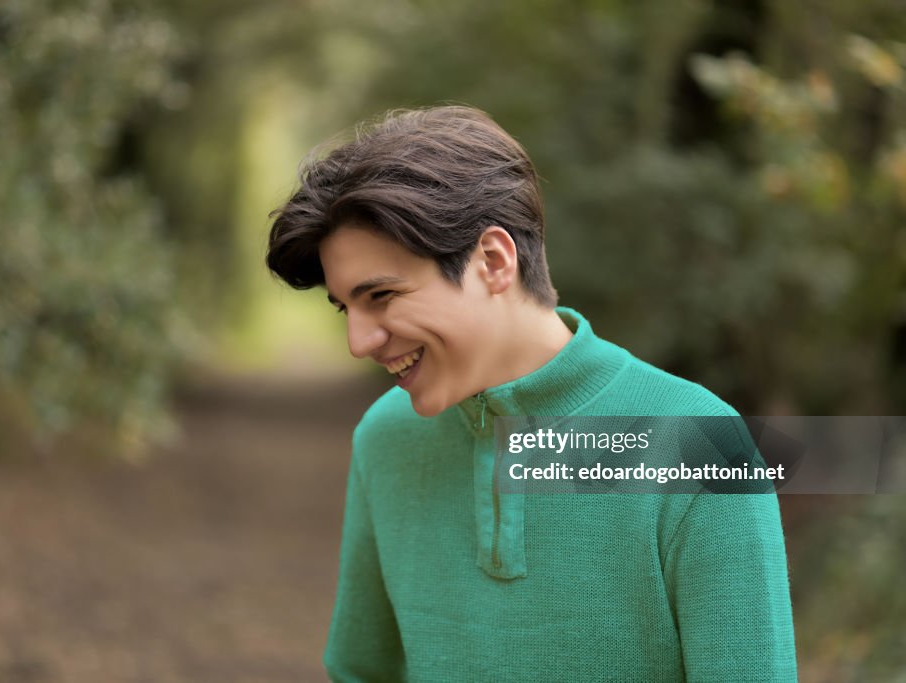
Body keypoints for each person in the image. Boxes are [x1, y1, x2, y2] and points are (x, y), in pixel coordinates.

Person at [266, 105, 797, 681]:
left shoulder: (700, 447)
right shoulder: (386, 438)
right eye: (345, 307)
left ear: (493, 262)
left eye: (383, 296)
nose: (358, 340)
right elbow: (362, 672)